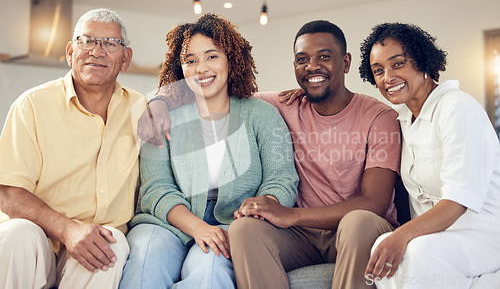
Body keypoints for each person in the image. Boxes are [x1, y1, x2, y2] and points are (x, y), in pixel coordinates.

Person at [141, 20, 402, 289]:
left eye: (324, 57)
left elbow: (375, 202)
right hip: (302, 237)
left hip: (359, 230)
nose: (312, 66)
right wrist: (158, 101)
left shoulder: (379, 117)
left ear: (345, 62)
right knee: (244, 228)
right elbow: (210, 88)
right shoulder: (280, 104)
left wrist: (292, 215)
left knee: (357, 222)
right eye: (303, 59)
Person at [119, 14, 298, 289]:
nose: (201, 68)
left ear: (231, 59)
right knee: (145, 263)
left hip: (234, 224)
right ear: (181, 68)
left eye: (211, 57)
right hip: (167, 222)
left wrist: (260, 206)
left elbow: (282, 180)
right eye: (190, 60)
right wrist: (197, 227)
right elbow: (156, 188)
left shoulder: (262, 115)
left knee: (210, 271)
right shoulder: (163, 115)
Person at [0, 8, 147, 288]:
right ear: (70, 51)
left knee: (110, 247)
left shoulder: (143, 111)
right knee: (17, 234)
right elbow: (8, 194)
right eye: (87, 41)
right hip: (37, 237)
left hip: (99, 241)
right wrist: (68, 229)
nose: (97, 51)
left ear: (125, 58)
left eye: (110, 43)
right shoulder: (31, 105)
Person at [359, 22, 500, 288]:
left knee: (417, 253)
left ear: (422, 61)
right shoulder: (402, 120)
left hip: (483, 233)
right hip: (439, 236)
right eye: (378, 71)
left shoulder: (457, 108)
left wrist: (401, 236)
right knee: (381, 246)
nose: (387, 77)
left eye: (397, 64)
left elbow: (458, 200)